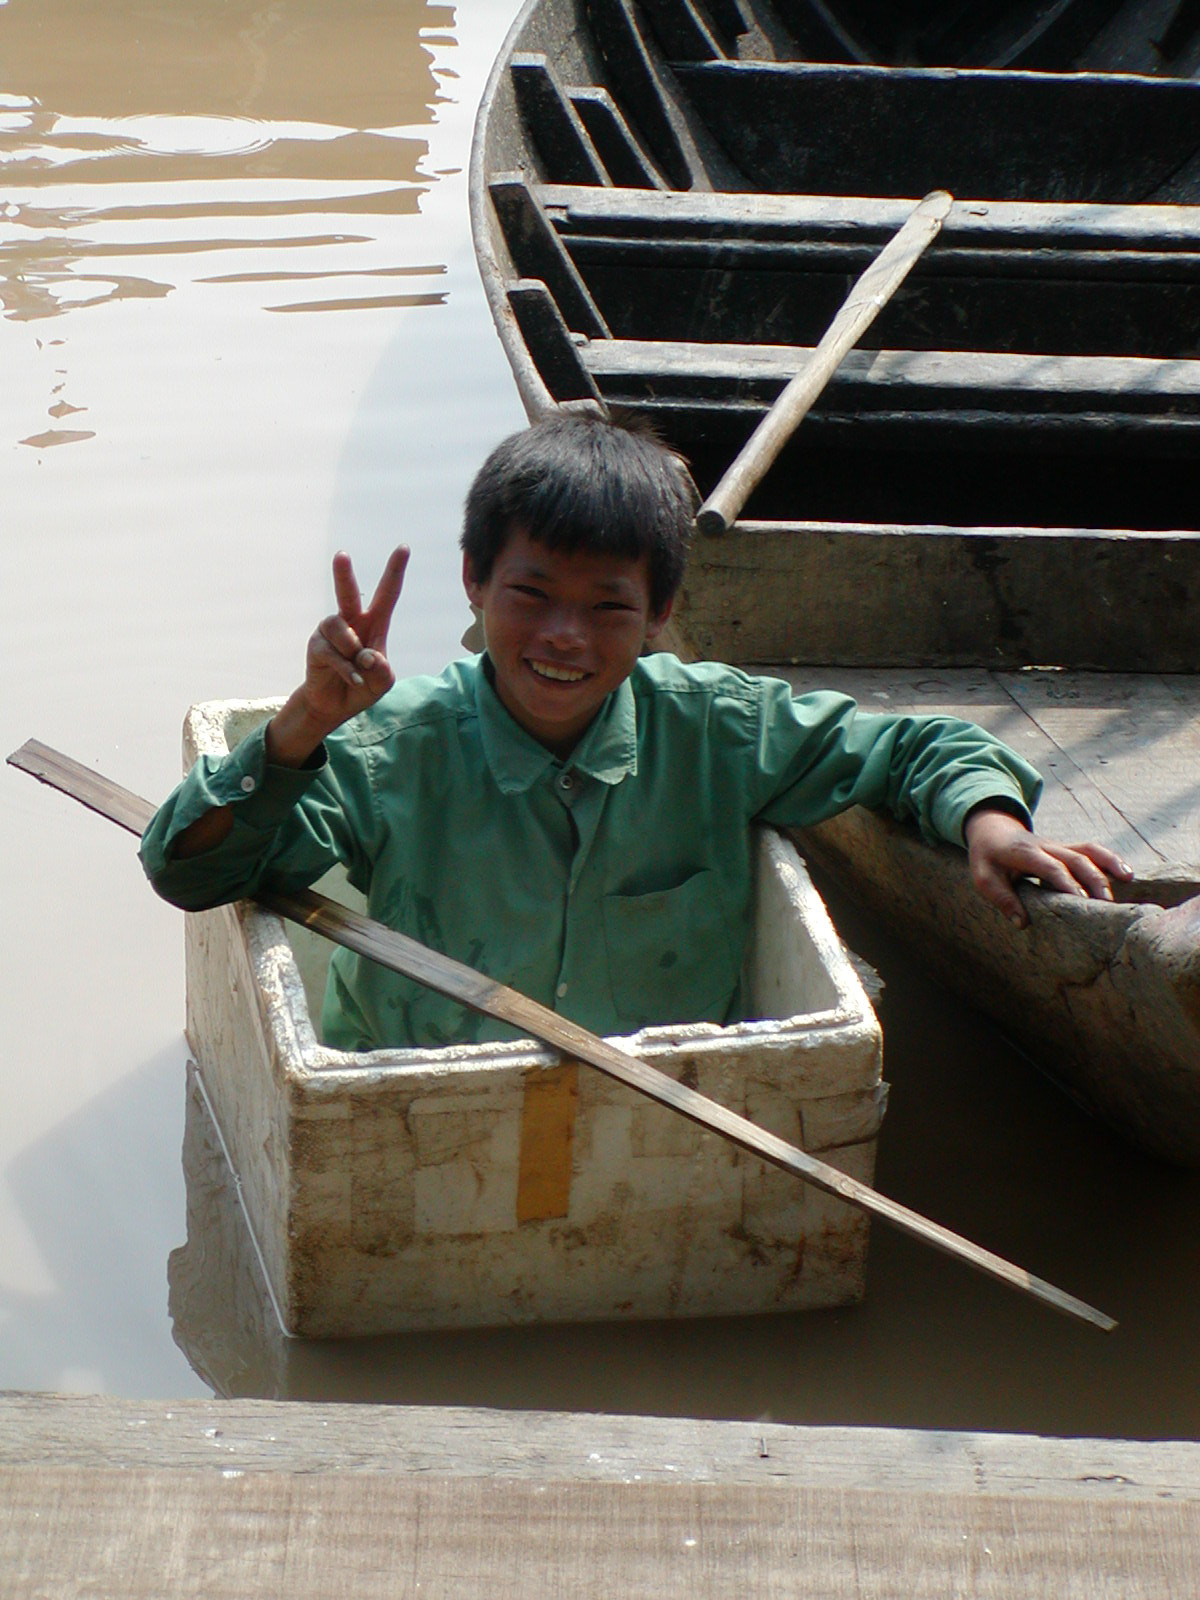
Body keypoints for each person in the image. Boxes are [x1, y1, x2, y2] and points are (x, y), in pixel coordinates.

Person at [140, 411, 1131, 1051]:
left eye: (608, 606)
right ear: (474, 585)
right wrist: (304, 723)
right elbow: (192, 874)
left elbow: (915, 749)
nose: (563, 636)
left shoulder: (716, 725)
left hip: (665, 1107)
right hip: (413, 1093)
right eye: (530, 593)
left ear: (659, 614)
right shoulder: (392, 744)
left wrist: (991, 822)